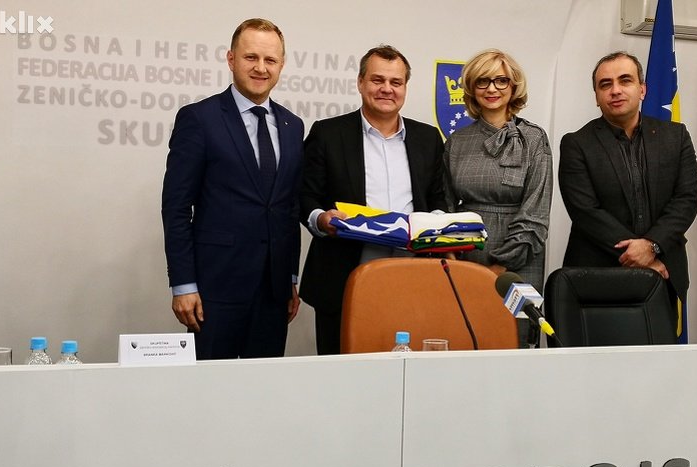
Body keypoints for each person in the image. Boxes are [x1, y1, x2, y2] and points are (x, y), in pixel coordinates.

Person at [161, 18, 304, 359]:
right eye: (251, 57)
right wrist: (183, 284)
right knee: (209, 387)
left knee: (263, 386)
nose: (260, 68)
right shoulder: (199, 118)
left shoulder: (293, 125)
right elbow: (176, 208)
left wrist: (290, 278)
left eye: (270, 60)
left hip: (274, 293)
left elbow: (289, 209)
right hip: (215, 290)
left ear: (281, 65)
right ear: (231, 59)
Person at [299, 45, 446, 355]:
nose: (386, 89)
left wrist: (434, 223)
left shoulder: (428, 138)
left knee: (405, 370)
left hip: (413, 276)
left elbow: (438, 198)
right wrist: (321, 219)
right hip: (343, 276)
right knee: (341, 369)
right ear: (360, 82)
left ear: (405, 87)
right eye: (378, 80)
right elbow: (305, 196)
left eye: (396, 82)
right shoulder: (328, 133)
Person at [558, 51, 697, 325]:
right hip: (597, 276)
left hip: (663, 271)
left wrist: (652, 246)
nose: (615, 90)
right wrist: (639, 255)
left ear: (642, 89)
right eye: (605, 84)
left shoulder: (676, 136)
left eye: (625, 80)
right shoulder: (576, 144)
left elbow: (686, 198)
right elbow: (585, 211)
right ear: (596, 96)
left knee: (658, 350)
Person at [443, 49, 553, 346]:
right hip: (466, 261)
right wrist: (454, 259)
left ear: (513, 86)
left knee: (514, 342)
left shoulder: (534, 138)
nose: (492, 88)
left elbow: (536, 213)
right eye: (483, 81)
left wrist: (498, 268)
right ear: (471, 87)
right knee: (465, 340)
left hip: (520, 262)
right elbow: (446, 208)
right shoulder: (456, 141)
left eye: (501, 80)